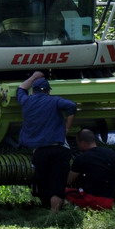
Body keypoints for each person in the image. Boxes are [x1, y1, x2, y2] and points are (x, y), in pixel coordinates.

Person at [16, 70, 77, 212]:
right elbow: (72, 106)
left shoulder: (26, 101)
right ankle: (54, 214)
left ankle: (47, 208)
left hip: (40, 151)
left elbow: (21, 89)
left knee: (44, 182)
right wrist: (67, 127)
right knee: (58, 183)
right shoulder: (54, 100)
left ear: (34, 90)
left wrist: (33, 77)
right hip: (59, 149)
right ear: (48, 91)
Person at [66, 129, 115, 211]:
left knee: (61, 191)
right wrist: (113, 186)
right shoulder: (113, 153)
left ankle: (70, 211)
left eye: (77, 143)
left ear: (82, 143)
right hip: (108, 202)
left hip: (90, 201)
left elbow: (69, 181)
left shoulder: (81, 158)